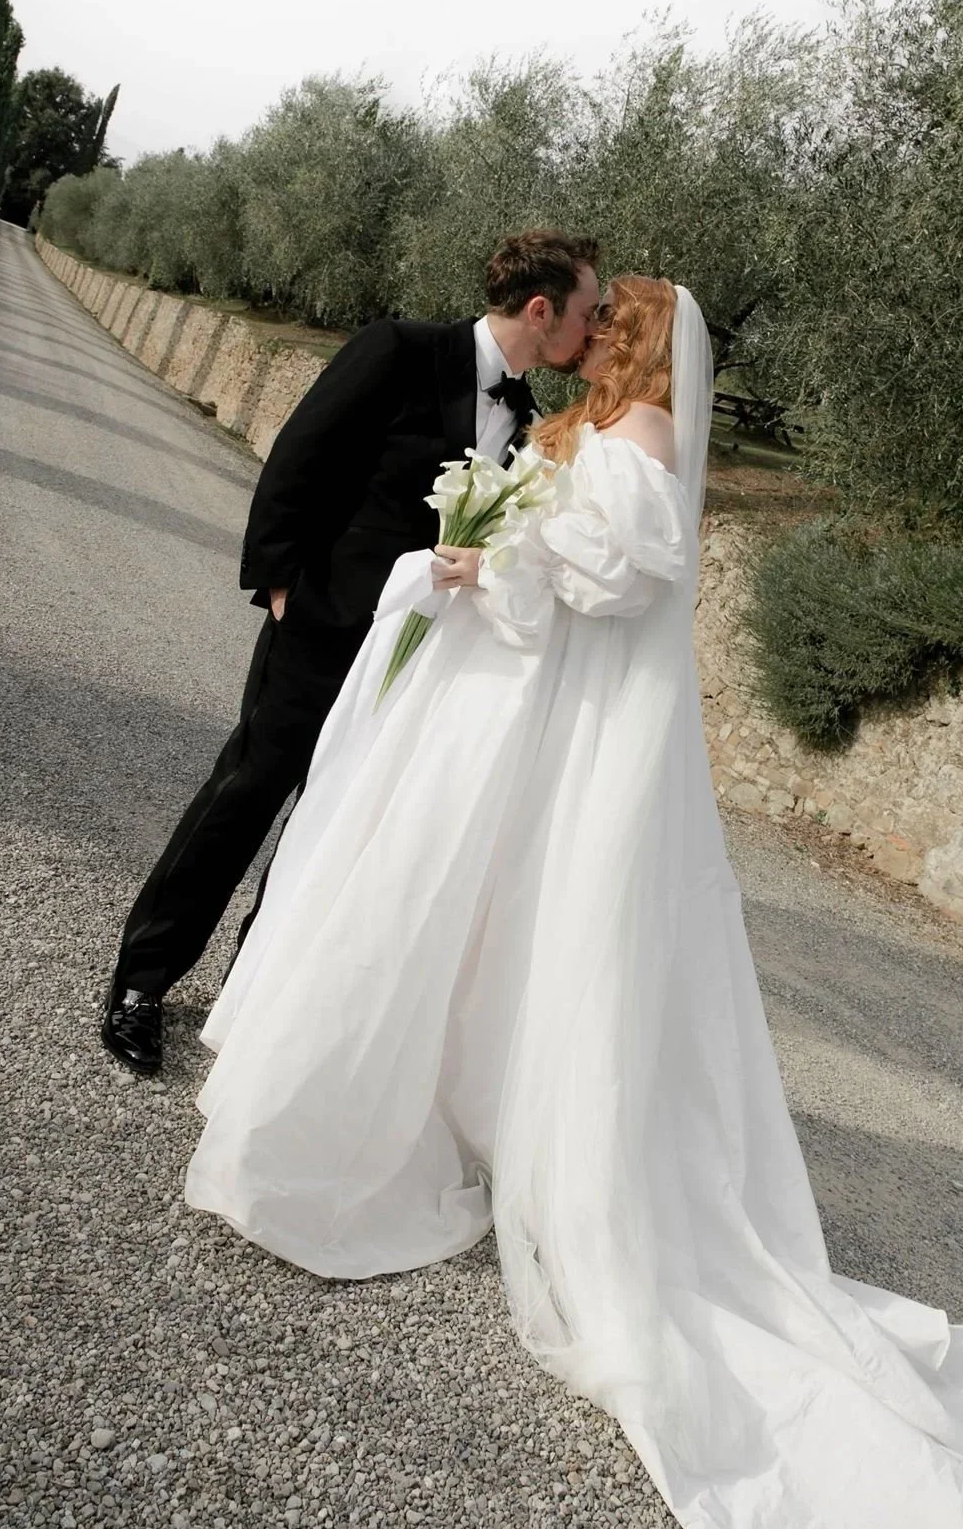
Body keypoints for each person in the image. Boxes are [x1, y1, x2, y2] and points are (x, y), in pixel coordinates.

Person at [183, 276, 963, 1529]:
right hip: (517, 714)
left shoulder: (646, 441)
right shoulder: (587, 432)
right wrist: (491, 550)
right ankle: (450, 1106)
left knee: (528, 936)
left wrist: (514, 555)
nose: (593, 322)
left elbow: (631, 577)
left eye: (608, 314)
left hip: (568, 728)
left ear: (627, 339)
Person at [101, 230, 600, 1077]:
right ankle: (141, 984)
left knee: (327, 824)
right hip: (326, 622)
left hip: (418, 653)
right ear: (542, 309)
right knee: (247, 792)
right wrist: (279, 582)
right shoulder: (401, 349)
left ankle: (244, 1002)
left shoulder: (531, 420)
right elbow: (302, 454)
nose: (594, 330)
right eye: (588, 313)